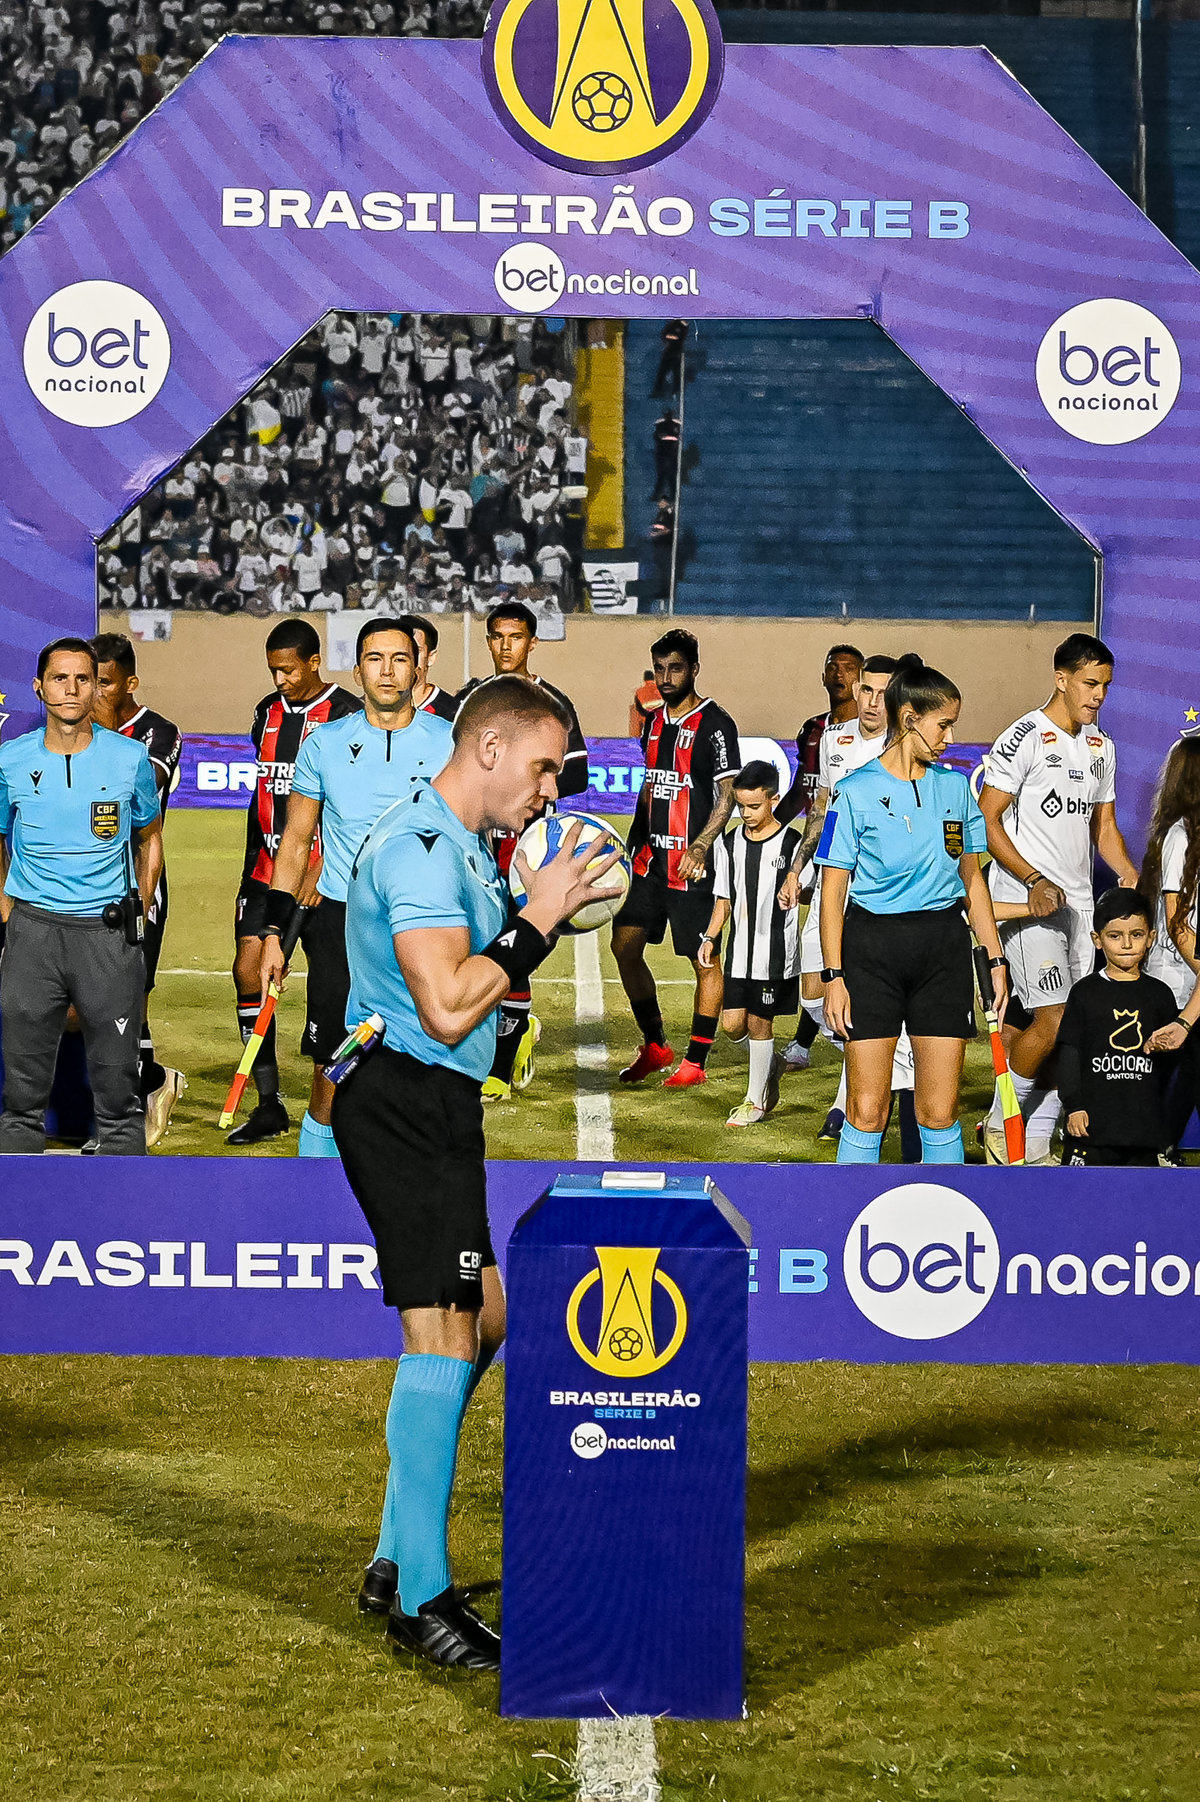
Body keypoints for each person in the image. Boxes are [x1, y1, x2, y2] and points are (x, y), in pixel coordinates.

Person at [334, 678, 623, 1670]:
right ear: (489, 748)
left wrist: (537, 912)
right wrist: (537, 919)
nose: (550, 790)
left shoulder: (461, 843)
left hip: (436, 1102)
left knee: (485, 1317)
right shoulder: (421, 849)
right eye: (543, 766)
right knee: (444, 1333)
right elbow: (450, 1004)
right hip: (403, 1100)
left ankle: (392, 1554)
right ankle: (423, 1598)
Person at [259, 620, 453, 1158]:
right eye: (375, 659)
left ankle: (414, 1174)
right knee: (333, 1063)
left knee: (425, 1059)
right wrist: (274, 933)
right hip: (343, 923)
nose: (387, 671)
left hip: (423, 922)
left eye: (399, 659)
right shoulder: (324, 743)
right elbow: (295, 843)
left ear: (418, 668)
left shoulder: (449, 742)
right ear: (357, 670)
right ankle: (315, 1179)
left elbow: (468, 839)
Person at [816, 654, 1007, 1166]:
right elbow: (832, 894)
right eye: (943, 725)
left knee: (939, 1112)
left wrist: (995, 958)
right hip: (871, 953)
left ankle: (944, 1212)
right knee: (866, 1110)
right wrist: (833, 976)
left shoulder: (955, 788)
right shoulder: (853, 792)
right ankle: (851, 1211)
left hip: (942, 952)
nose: (950, 737)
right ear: (909, 719)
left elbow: (972, 879)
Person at [979, 632, 1138, 1165]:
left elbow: (1104, 827)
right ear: (1061, 678)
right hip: (1030, 908)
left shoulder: (1101, 747)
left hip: (1079, 908)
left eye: (1106, 686)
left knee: (1068, 1029)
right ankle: (999, 1124)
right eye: (1090, 684)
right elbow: (986, 819)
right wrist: (1032, 879)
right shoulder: (1025, 736)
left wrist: (1127, 871)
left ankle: (1034, 1143)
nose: (1099, 696)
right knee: (1054, 1019)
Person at [0, 638, 162, 1156]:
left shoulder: (130, 758)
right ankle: (18, 1200)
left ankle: (123, 1198)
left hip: (107, 936)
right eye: (59, 678)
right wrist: (6, 908)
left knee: (118, 1098)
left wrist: (142, 902)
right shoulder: (10, 760)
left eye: (82, 679)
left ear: (96, 688)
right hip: (33, 936)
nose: (70, 689)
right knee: (20, 1099)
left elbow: (150, 836)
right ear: (38, 687)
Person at [230, 619, 360, 1145]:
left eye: (288, 669)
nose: (280, 680)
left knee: (331, 990)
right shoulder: (267, 711)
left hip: (323, 876)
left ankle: (333, 1109)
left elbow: (350, 802)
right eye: (273, 671)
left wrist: (320, 864)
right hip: (265, 869)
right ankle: (269, 1104)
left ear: (314, 662)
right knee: (248, 971)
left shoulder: (347, 713)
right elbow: (264, 793)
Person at [456, 602, 588, 1099]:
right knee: (476, 944)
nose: (505, 646)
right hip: (476, 841)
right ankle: (497, 1041)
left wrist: (523, 779)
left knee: (515, 945)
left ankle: (500, 1066)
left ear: (532, 643)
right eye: (497, 636)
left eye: (515, 637)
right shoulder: (470, 699)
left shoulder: (553, 702)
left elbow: (578, 772)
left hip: (529, 849)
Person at [615, 629, 740, 1087]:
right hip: (650, 864)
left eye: (676, 668)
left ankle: (696, 1062)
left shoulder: (716, 724)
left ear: (694, 670)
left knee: (703, 960)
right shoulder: (652, 722)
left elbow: (727, 795)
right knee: (624, 946)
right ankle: (656, 1045)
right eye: (660, 669)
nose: (667, 677)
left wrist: (701, 845)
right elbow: (652, 784)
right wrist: (632, 841)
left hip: (693, 868)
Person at [779, 655, 897, 1099]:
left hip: (875, 886)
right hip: (832, 876)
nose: (873, 702)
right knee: (814, 993)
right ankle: (878, 1065)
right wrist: (798, 868)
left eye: (883, 694)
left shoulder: (900, 745)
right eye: (867, 690)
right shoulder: (834, 739)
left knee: (861, 988)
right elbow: (821, 809)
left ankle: (855, 1096)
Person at [90, 632, 186, 1147]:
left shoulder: (159, 732)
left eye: (104, 683)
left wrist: (102, 728)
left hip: (138, 884)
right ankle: (154, 1082)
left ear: (130, 683)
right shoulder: (71, 730)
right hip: (83, 885)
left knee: (129, 997)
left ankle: (127, 1111)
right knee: (93, 1003)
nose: (94, 693)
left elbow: (138, 795)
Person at [700, 761, 802, 1127]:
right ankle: (769, 1063)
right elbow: (723, 899)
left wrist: (796, 892)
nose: (746, 814)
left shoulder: (792, 844)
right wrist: (710, 937)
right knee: (732, 1026)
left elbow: (807, 891)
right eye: (741, 806)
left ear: (774, 799)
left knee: (760, 1024)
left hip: (775, 955)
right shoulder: (729, 843)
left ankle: (754, 1101)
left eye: (754, 806)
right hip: (739, 955)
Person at [1058, 888, 1191, 1166]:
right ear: (1097, 939)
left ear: (1151, 937)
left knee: (1139, 1193)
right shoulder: (1085, 992)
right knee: (1084, 1192)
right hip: (1092, 1129)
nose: (1127, 944)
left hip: (1142, 1130)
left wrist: (1164, 1049)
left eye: (1137, 935)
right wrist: (1074, 1106)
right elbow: (1070, 1052)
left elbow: (1171, 1066)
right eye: (1115, 936)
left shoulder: (1160, 994)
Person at [1139, 736, 1200, 1156]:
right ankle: (1154, 1151)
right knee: (1169, 1072)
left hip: (1195, 980)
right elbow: (1178, 925)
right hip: (1178, 981)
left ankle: (1162, 1149)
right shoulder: (1180, 838)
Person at [776, 643, 863, 829]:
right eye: (832, 668)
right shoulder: (812, 728)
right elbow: (800, 791)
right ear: (823, 678)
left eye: (849, 669)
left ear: (861, 681)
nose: (839, 674)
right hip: (816, 833)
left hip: (852, 836)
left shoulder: (869, 731)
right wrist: (770, 830)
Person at [400, 614, 458, 721]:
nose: (409, 657)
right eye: (400, 651)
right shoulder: (371, 709)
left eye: (416, 650)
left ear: (430, 657)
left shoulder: (453, 715)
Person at [629, 668, 662, 739]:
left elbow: (639, 708)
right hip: (660, 719)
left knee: (634, 709)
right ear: (654, 678)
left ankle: (635, 737)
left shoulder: (639, 692)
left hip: (646, 718)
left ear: (644, 679)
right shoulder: (661, 689)